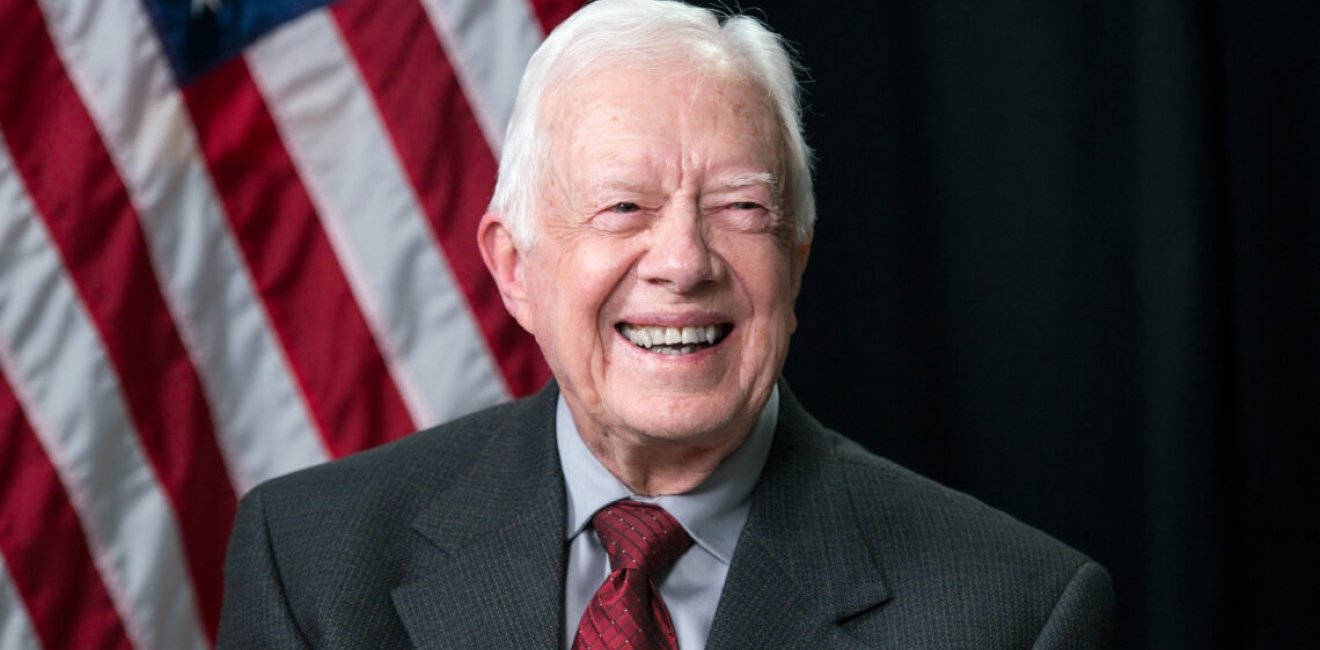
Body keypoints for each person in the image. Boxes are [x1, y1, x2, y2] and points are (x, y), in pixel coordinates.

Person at [217, 0, 1114, 647]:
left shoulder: (1014, 612)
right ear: (515, 267)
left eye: (741, 209)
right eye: (622, 206)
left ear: (796, 261)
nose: (683, 262)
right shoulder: (312, 565)